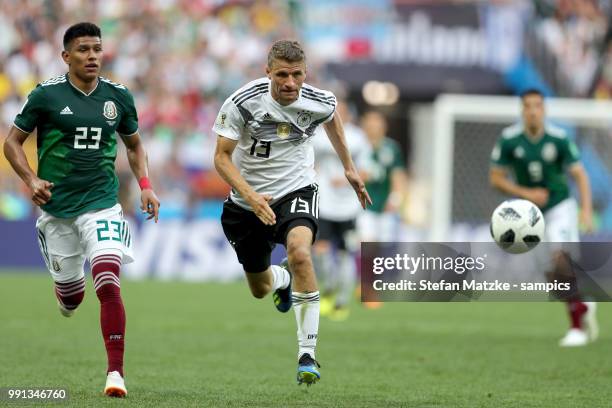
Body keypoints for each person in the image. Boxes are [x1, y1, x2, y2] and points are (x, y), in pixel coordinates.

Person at [3, 22, 160, 397]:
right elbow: (12, 142)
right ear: (66, 56)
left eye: (97, 49)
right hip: (58, 210)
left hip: (102, 204)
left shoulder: (118, 97)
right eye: (84, 50)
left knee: (107, 278)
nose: (92, 56)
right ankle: (66, 292)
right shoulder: (46, 95)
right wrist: (31, 180)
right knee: (73, 297)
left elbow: (135, 146)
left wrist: (145, 185)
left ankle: (116, 374)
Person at [213, 40, 370, 385]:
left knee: (301, 252)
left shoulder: (318, 100)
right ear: (268, 72)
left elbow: (332, 119)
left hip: (296, 189)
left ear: (305, 74)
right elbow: (221, 157)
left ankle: (307, 355)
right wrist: (251, 196)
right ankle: (282, 280)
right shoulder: (242, 102)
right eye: (281, 74)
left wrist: (349, 167)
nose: (289, 82)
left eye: (296, 75)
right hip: (247, 201)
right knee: (259, 288)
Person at [490, 88, 596, 347]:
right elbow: (495, 178)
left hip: (560, 206)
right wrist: (525, 192)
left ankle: (576, 328)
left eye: (537, 105)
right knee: (551, 276)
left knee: (560, 260)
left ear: (544, 109)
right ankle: (581, 305)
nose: (533, 110)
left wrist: (586, 209)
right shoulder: (509, 140)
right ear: (522, 110)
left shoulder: (559, 138)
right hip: (529, 215)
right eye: (528, 106)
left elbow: (580, 174)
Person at [312, 101, 370, 321]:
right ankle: (328, 287)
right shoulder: (318, 135)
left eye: (342, 112)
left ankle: (342, 302)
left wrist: (348, 181)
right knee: (321, 251)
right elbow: (309, 162)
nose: (338, 115)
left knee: (346, 254)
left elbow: (366, 170)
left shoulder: (358, 138)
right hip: (325, 203)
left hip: (350, 207)